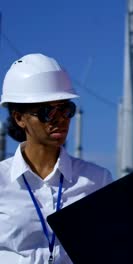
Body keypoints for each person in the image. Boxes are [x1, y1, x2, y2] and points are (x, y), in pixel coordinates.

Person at [0, 53, 113, 263]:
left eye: (65, 109)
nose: (60, 119)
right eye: (47, 112)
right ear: (19, 118)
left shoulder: (98, 181)